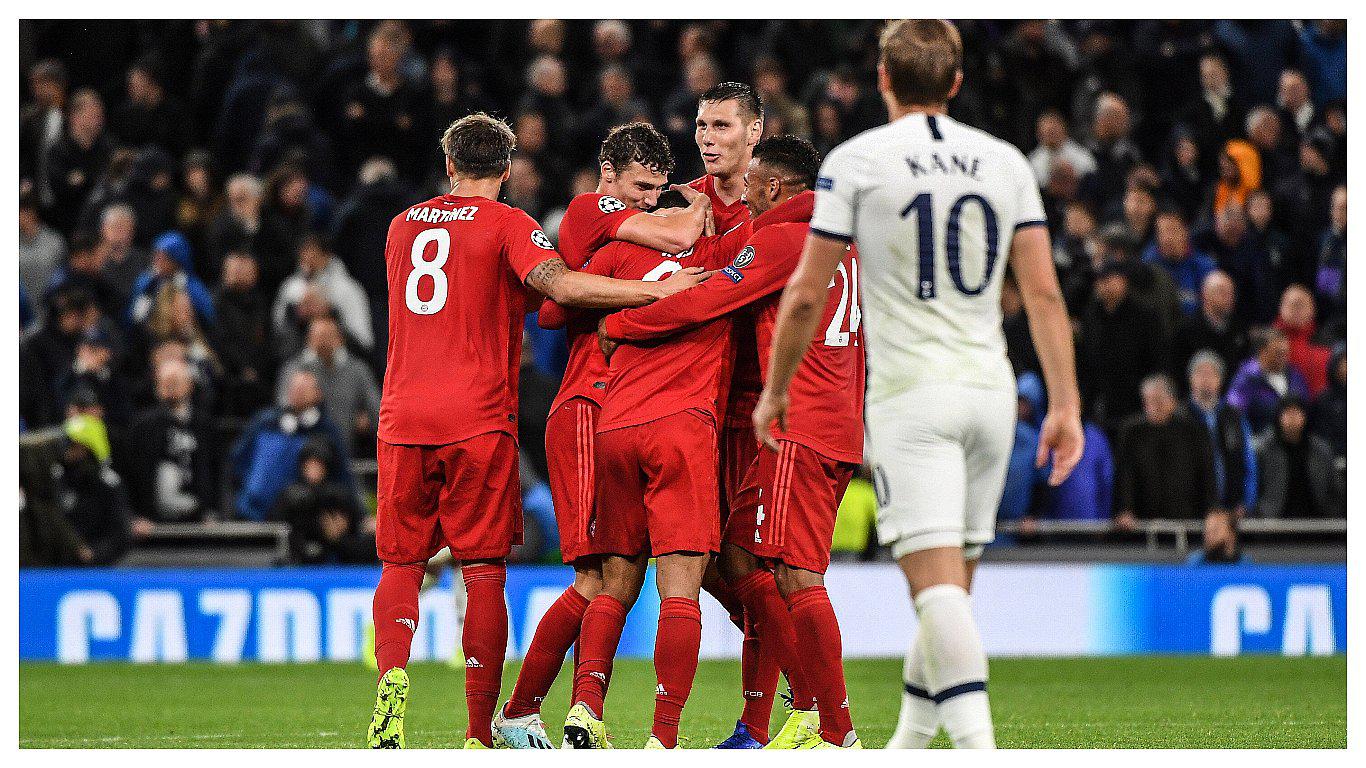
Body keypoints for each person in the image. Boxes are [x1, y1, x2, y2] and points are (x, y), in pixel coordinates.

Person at [753, 20, 1083, 750]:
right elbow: (1044, 295)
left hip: (913, 401)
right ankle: (906, 747)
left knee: (934, 594)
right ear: (957, 81)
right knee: (951, 595)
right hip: (992, 393)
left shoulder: (858, 160)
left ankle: (977, 749)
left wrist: (775, 389)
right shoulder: (1005, 162)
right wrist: (1064, 404)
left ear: (883, 78)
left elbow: (807, 293)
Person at [365, 113, 708, 750]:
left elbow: (469, 294)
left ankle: (391, 678)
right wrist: (648, 293)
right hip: (477, 418)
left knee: (400, 565)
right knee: (484, 573)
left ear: (449, 166)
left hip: (402, 415)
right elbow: (556, 287)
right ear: (504, 169)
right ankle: (478, 733)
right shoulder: (510, 225)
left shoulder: (402, 226)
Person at [601, 136, 862, 749]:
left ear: (773, 186)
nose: (741, 193)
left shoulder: (781, 239)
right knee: (745, 558)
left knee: (799, 576)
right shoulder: (840, 243)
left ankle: (836, 730)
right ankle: (773, 720)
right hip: (837, 421)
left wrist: (621, 323)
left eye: (752, 185)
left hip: (798, 425)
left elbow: (711, 296)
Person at [494, 122, 710, 750]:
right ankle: (521, 710)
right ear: (608, 175)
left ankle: (583, 712)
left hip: (622, 412)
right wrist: (698, 204)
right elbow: (676, 232)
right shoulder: (594, 209)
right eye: (639, 187)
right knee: (596, 576)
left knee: (620, 572)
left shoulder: (611, 248)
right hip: (591, 406)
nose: (648, 199)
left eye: (656, 189)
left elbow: (558, 309)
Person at [231, 369, 352, 522]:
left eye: (303, 389)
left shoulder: (326, 431)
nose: (298, 393)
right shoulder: (265, 422)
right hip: (252, 508)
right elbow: (238, 459)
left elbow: (342, 475)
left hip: (299, 512)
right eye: (295, 388)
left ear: (318, 394)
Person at [277, 316, 380, 458]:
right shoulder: (295, 369)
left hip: (350, 447)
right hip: (305, 451)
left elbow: (376, 408)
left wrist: (366, 417)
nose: (323, 342)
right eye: (318, 337)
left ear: (340, 339)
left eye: (327, 336)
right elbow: (283, 406)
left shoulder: (357, 369)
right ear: (309, 339)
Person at [1186, 351, 1257, 534]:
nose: (1206, 379)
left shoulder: (1234, 417)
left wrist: (1245, 502)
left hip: (1231, 510)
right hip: (1191, 512)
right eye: (1201, 373)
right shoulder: (1181, 417)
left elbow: (1248, 463)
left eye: (1212, 374)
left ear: (1220, 380)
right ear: (1191, 379)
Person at [1253, 397, 1342, 518]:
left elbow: (1334, 488)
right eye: (1288, 413)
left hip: (1318, 521)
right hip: (1273, 522)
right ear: (1278, 417)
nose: (1292, 418)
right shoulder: (1263, 450)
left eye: (1296, 413)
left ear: (1304, 417)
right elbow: (1254, 487)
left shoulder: (1321, 450)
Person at [1226, 326, 1311, 434]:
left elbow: (1305, 406)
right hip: (1259, 442)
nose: (1284, 357)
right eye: (1278, 353)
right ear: (1262, 352)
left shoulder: (1295, 376)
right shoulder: (1246, 379)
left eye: (1285, 353)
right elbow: (1234, 414)